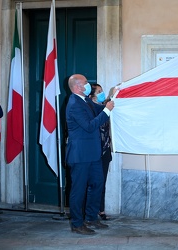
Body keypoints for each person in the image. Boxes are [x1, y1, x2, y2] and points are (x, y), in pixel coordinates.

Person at [65, 74, 114, 235]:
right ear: (78, 86)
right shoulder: (74, 104)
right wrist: (107, 111)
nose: (88, 85)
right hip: (80, 156)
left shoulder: (85, 100)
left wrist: (110, 101)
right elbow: (89, 125)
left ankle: (91, 218)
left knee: (97, 184)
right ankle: (77, 223)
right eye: (86, 83)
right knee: (78, 190)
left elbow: (98, 109)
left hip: (93, 154)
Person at [89, 83, 112, 220]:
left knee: (102, 181)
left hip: (105, 150)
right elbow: (101, 113)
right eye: (99, 91)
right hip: (94, 151)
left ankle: (101, 209)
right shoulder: (90, 109)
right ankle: (91, 210)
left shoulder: (104, 107)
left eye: (102, 90)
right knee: (93, 182)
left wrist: (114, 94)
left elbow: (107, 106)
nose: (101, 93)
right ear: (92, 96)